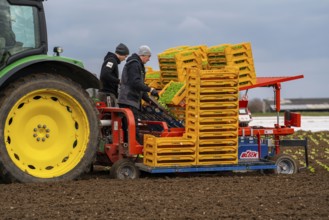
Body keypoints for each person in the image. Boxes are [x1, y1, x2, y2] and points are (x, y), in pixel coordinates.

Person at [118, 45, 159, 144]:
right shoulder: (134, 64)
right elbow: (135, 83)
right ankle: (133, 148)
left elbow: (139, 87)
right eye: (149, 56)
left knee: (130, 126)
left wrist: (148, 99)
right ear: (143, 55)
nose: (149, 59)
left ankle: (130, 146)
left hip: (131, 100)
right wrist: (151, 89)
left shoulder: (138, 65)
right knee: (131, 126)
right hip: (128, 100)